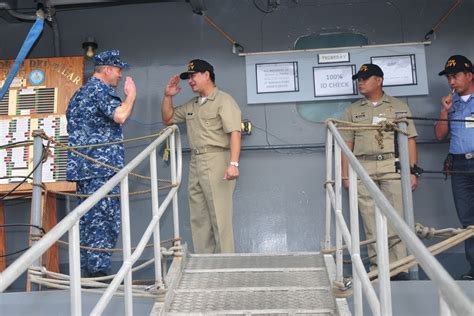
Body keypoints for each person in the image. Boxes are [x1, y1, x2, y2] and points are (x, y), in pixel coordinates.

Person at [341, 63, 418, 280]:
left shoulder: (399, 106)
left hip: (392, 166)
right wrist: (346, 174)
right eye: (359, 79)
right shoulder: (353, 110)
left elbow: (410, 139)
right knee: (370, 220)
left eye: (365, 78)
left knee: (396, 217)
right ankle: (378, 267)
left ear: (379, 80)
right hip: (363, 167)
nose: (361, 82)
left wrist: (412, 171)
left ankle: (399, 267)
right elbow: (347, 145)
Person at [66, 49, 137, 277]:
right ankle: (98, 275)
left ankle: (88, 272)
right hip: (101, 169)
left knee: (87, 220)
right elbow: (120, 115)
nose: (119, 75)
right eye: (117, 70)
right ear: (107, 70)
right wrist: (131, 95)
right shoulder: (100, 90)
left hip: (86, 169)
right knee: (103, 220)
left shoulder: (80, 93)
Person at [161, 59, 241, 253]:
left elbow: (235, 132)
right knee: (199, 217)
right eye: (188, 77)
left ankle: (227, 266)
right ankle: (206, 263)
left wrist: (233, 163)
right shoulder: (192, 105)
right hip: (196, 162)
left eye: (193, 75)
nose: (190, 80)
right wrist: (168, 96)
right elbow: (168, 118)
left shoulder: (224, 100)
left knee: (219, 217)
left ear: (207, 75)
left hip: (217, 159)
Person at [434, 55, 474, 280]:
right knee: (468, 220)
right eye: (449, 77)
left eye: (455, 76)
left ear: (469, 75)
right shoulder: (452, 104)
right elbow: (439, 135)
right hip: (459, 166)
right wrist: (444, 111)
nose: (451, 82)